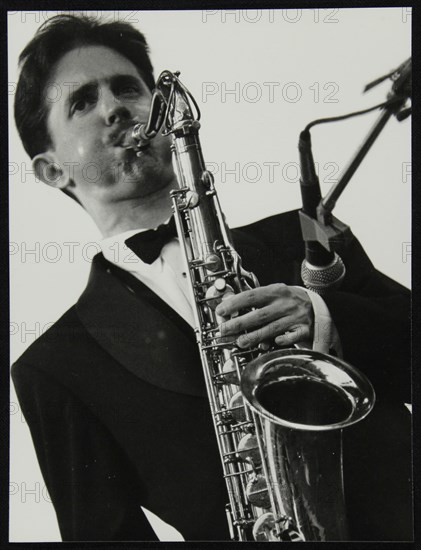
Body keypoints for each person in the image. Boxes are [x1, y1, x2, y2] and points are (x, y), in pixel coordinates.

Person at [11, 14, 412, 542]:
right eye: (82, 101)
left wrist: (325, 315)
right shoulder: (54, 367)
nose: (114, 107)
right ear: (52, 170)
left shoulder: (305, 233)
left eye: (128, 87)